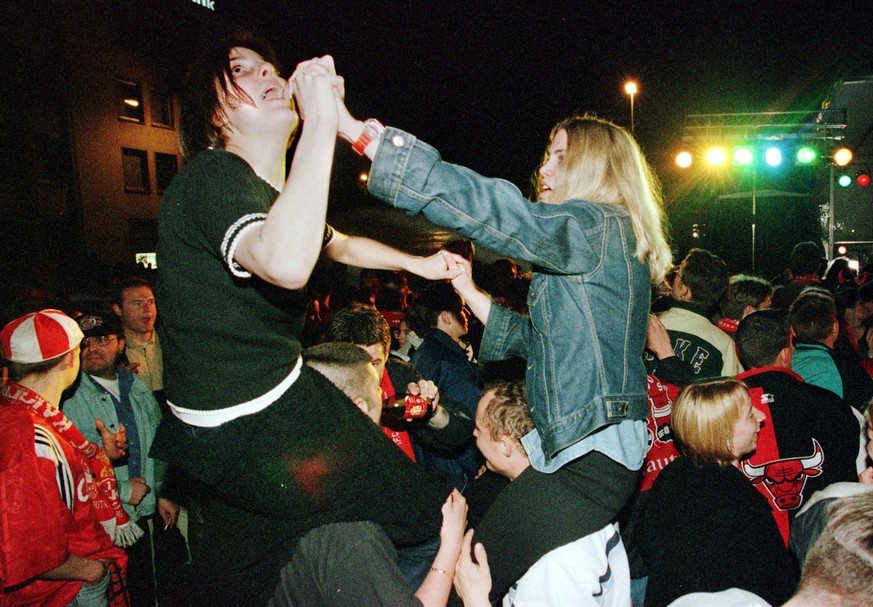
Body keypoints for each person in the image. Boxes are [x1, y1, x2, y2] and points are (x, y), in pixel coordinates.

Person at [150, 34, 462, 606]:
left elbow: (337, 245)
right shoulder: (213, 176)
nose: (269, 75)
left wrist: (418, 261)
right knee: (435, 510)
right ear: (216, 113)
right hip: (256, 414)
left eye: (271, 67)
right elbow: (288, 263)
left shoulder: (269, 197)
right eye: (244, 70)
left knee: (263, 560)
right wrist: (320, 122)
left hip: (231, 426)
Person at [335, 106, 671, 603]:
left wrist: (364, 137)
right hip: (592, 454)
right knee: (475, 562)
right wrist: (467, 290)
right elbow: (538, 343)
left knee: (470, 571)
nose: (545, 169)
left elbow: (497, 210)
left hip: (589, 457)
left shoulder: (594, 226)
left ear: (595, 168)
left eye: (561, 157)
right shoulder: (607, 240)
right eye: (547, 157)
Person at [0, 310, 129, 606]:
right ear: (71, 359)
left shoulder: (17, 412)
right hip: (59, 592)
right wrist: (93, 571)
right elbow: (28, 550)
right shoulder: (30, 433)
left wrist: (101, 459)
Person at [469, 380, 631, 607]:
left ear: (505, 445)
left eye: (479, 429)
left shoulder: (551, 559)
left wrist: (474, 600)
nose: (473, 434)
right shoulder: (576, 485)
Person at [639, 378, 797, 607]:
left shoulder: (672, 475)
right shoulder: (737, 499)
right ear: (722, 433)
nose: (762, 417)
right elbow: (772, 583)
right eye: (750, 415)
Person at [62, 313, 180, 607]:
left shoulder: (136, 385)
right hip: (101, 521)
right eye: (85, 344)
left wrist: (164, 491)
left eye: (102, 339)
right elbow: (70, 469)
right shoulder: (69, 398)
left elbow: (158, 443)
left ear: (120, 343)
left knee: (142, 586)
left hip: (138, 514)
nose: (93, 349)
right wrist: (123, 489)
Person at [734, 309, 860, 545]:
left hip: (749, 549)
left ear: (737, 351)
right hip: (821, 544)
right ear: (786, 353)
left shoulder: (719, 411)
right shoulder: (832, 406)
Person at [652, 248, 743, 378]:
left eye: (678, 272)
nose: (674, 275)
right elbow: (733, 394)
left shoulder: (649, 325)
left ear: (684, 290)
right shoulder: (724, 344)